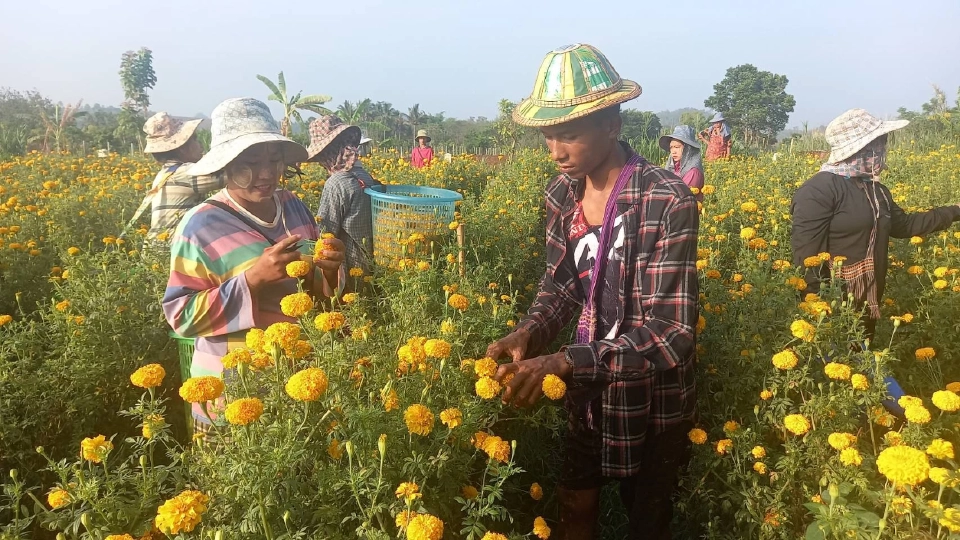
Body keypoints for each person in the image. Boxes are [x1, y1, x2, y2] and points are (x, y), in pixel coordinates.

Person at [488, 43, 699, 539]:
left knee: (647, 522)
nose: (557, 152)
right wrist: (528, 335)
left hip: (652, 404)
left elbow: (671, 333)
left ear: (612, 125)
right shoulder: (561, 195)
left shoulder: (665, 199)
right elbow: (560, 287)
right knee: (574, 508)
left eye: (569, 135)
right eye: (548, 137)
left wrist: (564, 362)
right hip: (588, 395)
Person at [163, 97, 344, 432]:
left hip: (296, 387)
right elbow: (180, 316)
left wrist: (330, 269)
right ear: (226, 165)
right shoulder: (200, 226)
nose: (265, 174)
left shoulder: (293, 207)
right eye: (249, 163)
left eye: (274, 161)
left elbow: (317, 295)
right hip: (233, 395)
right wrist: (252, 280)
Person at [791, 108, 960, 340]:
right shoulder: (818, 191)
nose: (883, 151)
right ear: (861, 149)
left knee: (862, 352)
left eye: (883, 143)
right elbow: (806, 256)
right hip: (832, 300)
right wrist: (815, 308)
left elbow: (905, 225)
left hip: (868, 294)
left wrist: (954, 211)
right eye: (879, 144)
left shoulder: (874, 189)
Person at [307, 115, 383, 278]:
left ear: (329, 152)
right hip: (372, 261)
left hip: (349, 268)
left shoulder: (336, 183)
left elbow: (325, 233)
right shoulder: (364, 175)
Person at [139, 112, 223, 241]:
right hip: (169, 248)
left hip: (157, 247)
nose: (200, 144)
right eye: (195, 139)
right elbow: (235, 176)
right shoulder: (186, 173)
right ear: (182, 148)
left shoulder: (167, 172)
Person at [659, 125, 704, 202]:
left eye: (677, 147)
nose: (673, 151)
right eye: (671, 147)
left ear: (688, 149)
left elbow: (681, 197)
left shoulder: (693, 172)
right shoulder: (675, 168)